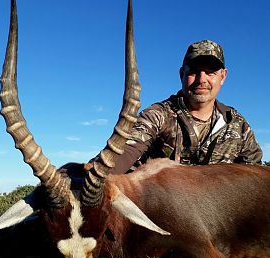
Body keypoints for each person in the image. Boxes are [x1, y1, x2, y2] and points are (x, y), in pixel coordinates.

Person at [111, 40, 262, 174]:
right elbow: (127, 149)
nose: (201, 79)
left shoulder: (237, 124)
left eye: (210, 72)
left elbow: (254, 174)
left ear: (223, 76)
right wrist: (93, 176)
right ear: (182, 74)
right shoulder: (157, 114)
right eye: (194, 72)